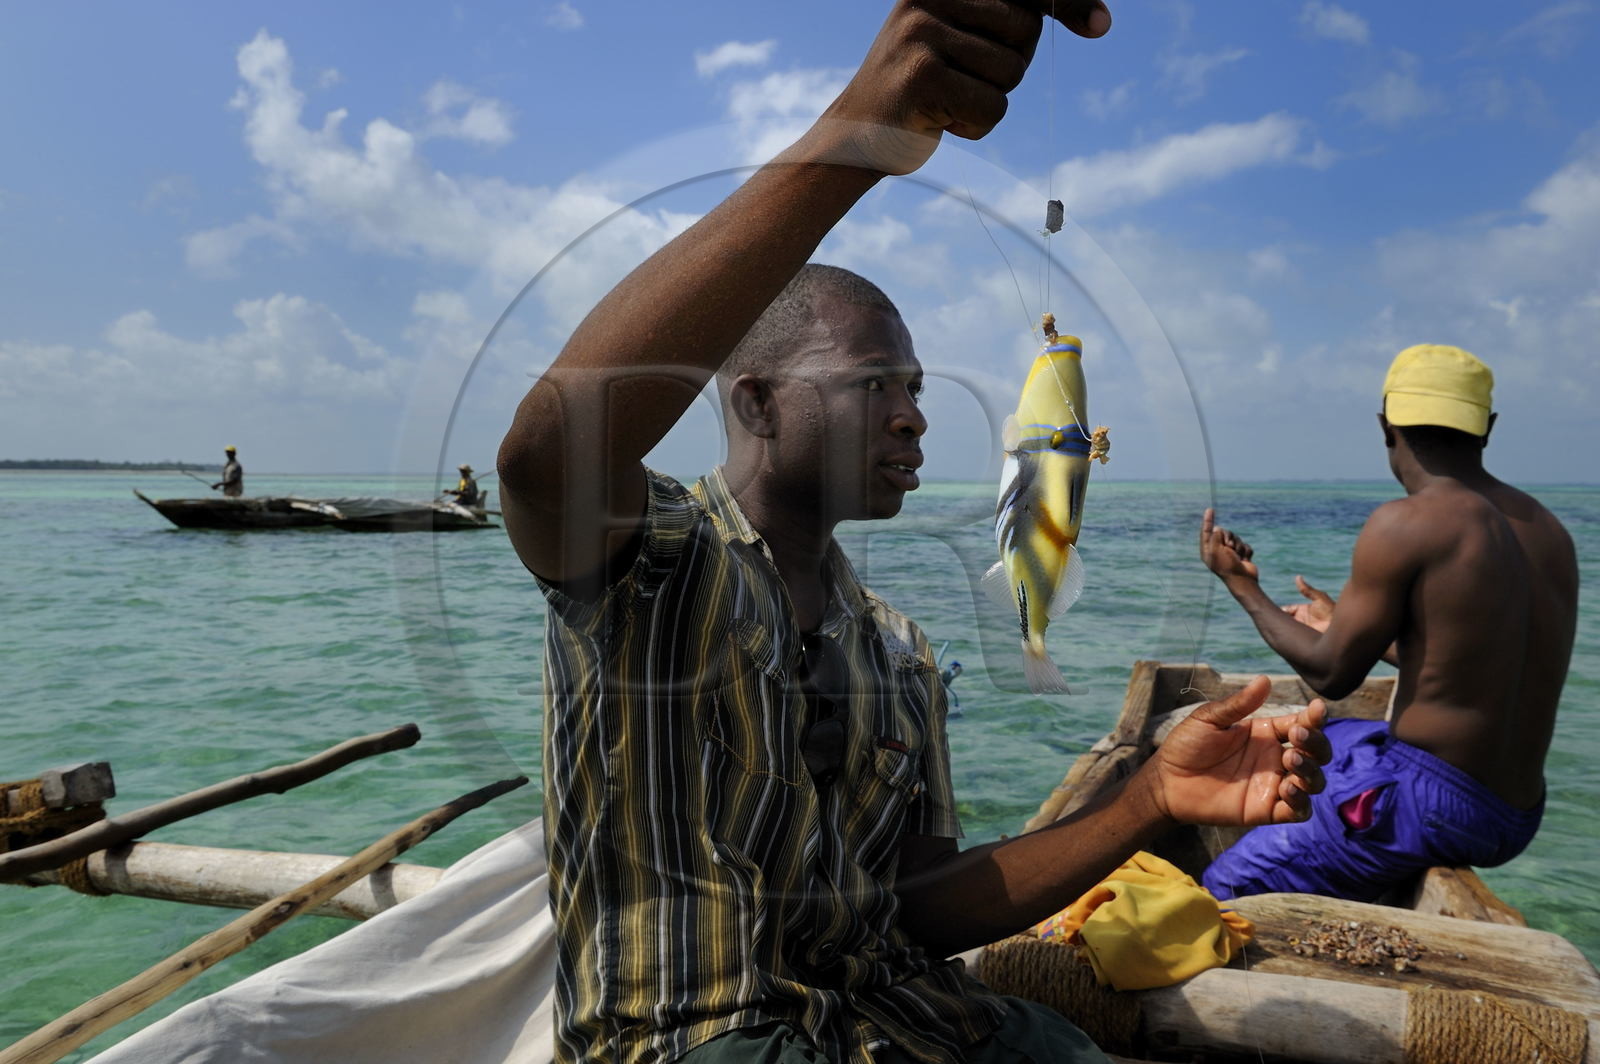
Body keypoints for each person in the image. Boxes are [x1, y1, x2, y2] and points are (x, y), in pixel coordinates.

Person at [498, 3, 1329, 1062]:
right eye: (872, 385)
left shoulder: (896, 648)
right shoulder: (647, 561)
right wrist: (857, 135)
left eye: (919, 388)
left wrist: (1150, 794)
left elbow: (921, 902)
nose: (913, 415)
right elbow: (542, 454)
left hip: (913, 1022)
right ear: (754, 403)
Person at [1198, 343, 1578, 904]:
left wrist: (1241, 585)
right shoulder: (1550, 532)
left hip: (1433, 802)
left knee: (1225, 884)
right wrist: (1350, 629)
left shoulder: (1407, 523)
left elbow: (1331, 676)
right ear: (1487, 428)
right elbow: (1475, 662)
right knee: (1334, 736)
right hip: (1516, 812)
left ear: (1385, 425)